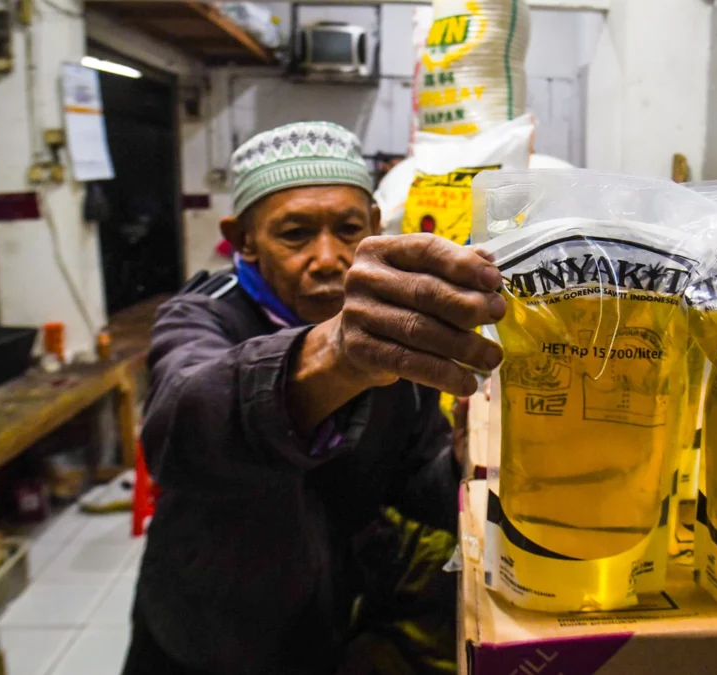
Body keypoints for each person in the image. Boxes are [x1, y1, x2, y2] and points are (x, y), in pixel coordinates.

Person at [122, 122, 504, 675]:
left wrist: (460, 462)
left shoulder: (389, 332)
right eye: (295, 234)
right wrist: (332, 357)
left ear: (375, 225)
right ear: (243, 238)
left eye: (349, 230)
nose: (328, 258)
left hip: (330, 621)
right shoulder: (203, 315)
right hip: (209, 635)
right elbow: (179, 426)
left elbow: (413, 480)